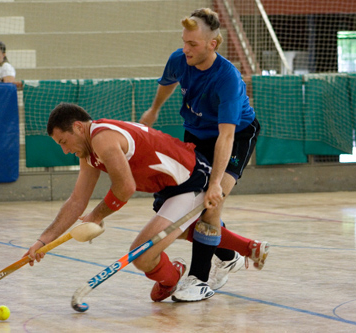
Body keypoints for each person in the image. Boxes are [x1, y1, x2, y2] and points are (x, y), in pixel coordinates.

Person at [24, 102, 256, 303]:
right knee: (169, 238)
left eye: (64, 142)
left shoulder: (102, 139)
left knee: (141, 254)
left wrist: (96, 216)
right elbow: (76, 201)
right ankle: (235, 253)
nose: (65, 151)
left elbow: (125, 188)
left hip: (192, 178)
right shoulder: (89, 152)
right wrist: (42, 241)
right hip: (169, 188)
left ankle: (216, 262)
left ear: (78, 127)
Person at [139, 8, 269, 301]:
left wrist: (215, 185)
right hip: (196, 133)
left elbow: (226, 136)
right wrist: (154, 109)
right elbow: (167, 83)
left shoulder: (227, 79)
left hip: (235, 138)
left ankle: (199, 278)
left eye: (193, 44)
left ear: (213, 44)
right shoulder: (179, 59)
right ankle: (228, 254)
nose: (186, 49)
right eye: (184, 41)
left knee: (212, 202)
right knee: (177, 203)